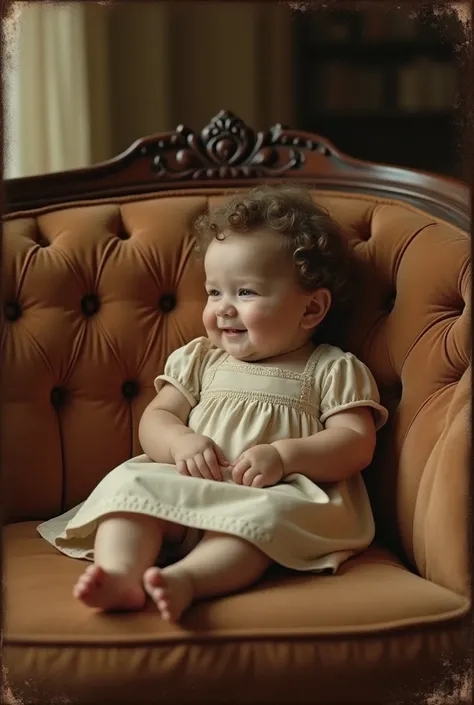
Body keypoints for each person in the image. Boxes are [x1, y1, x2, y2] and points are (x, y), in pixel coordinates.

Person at [37, 185, 388, 622]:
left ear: (312, 308)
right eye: (214, 292)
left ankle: (187, 580)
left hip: (265, 494)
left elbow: (356, 442)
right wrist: (181, 442)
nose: (223, 309)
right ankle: (121, 574)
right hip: (186, 484)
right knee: (130, 490)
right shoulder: (201, 358)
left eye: (245, 293)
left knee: (258, 527)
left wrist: (284, 456)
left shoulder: (331, 368)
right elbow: (158, 417)